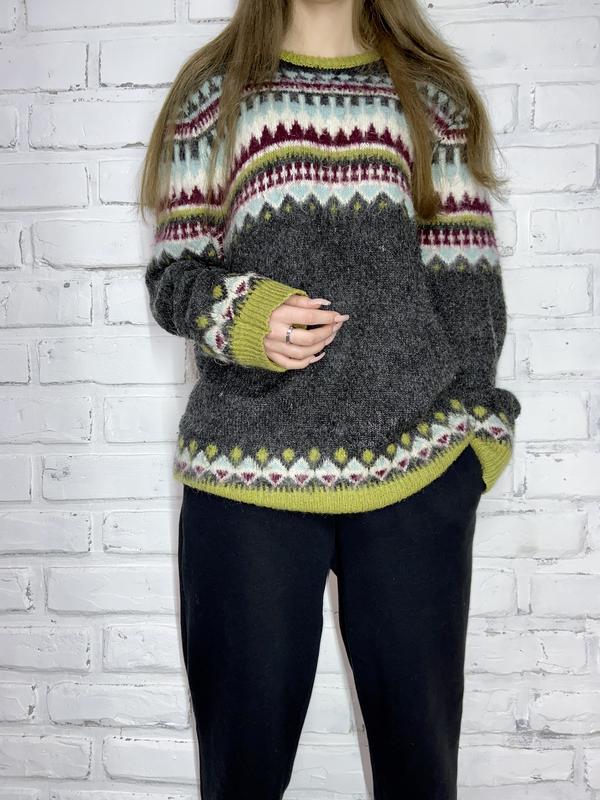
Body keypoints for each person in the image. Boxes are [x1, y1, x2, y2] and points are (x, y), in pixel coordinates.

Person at [138, 0, 522, 797]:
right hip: (244, 474)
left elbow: (467, 285)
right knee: (240, 777)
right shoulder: (212, 94)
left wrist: (475, 443)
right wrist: (242, 315)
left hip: (417, 473)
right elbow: (174, 277)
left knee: (422, 776)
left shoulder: (430, 95)